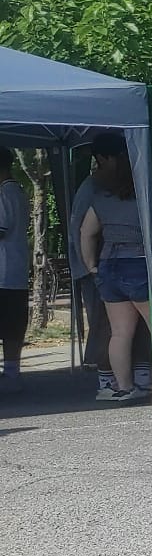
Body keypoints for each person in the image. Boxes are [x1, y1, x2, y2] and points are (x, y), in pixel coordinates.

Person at [78, 135, 152, 403]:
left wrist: (91, 264)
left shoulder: (102, 197)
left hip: (109, 265)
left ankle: (124, 387)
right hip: (143, 264)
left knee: (120, 332)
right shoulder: (149, 200)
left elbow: (86, 232)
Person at [68, 138, 152, 395]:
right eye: (120, 157)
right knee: (108, 327)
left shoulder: (117, 185)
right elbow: (80, 229)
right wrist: (88, 265)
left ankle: (135, 375)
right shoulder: (93, 186)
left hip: (107, 264)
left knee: (123, 328)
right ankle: (108, 379)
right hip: (103, 265)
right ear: (104, 159)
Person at [0, 148, 26, 393]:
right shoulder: (17, 191)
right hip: (15, 270)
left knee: (8, 322)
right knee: (13, 323)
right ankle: (12, 369)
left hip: (4, 271)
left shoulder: (4, 193)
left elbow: (1, 228)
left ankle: (10, 372)